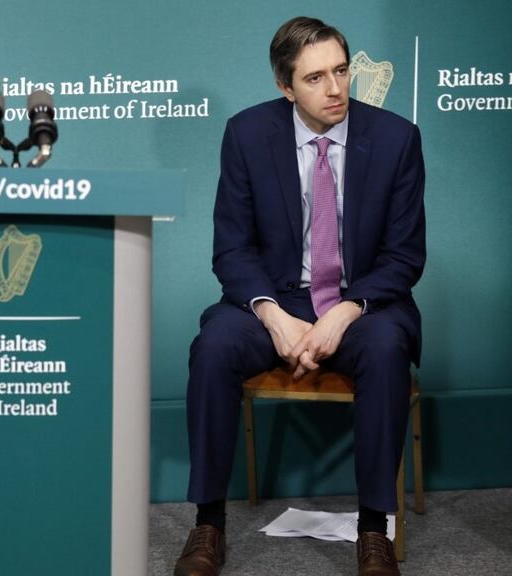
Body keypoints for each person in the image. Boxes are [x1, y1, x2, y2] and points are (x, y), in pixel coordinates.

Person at [174, 16, 425, 576]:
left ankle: (372, 529)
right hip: (276, 301)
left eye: (341, 71)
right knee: (213, 345)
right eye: (315, 78)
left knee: (385, 351)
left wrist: (345, 310)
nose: (335, 89)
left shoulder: (396, 139)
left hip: (365, 305)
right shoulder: (246, 134)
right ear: (285, 86)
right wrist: (272, 315)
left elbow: (404, 256)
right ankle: (207, 523)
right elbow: (232, 250)